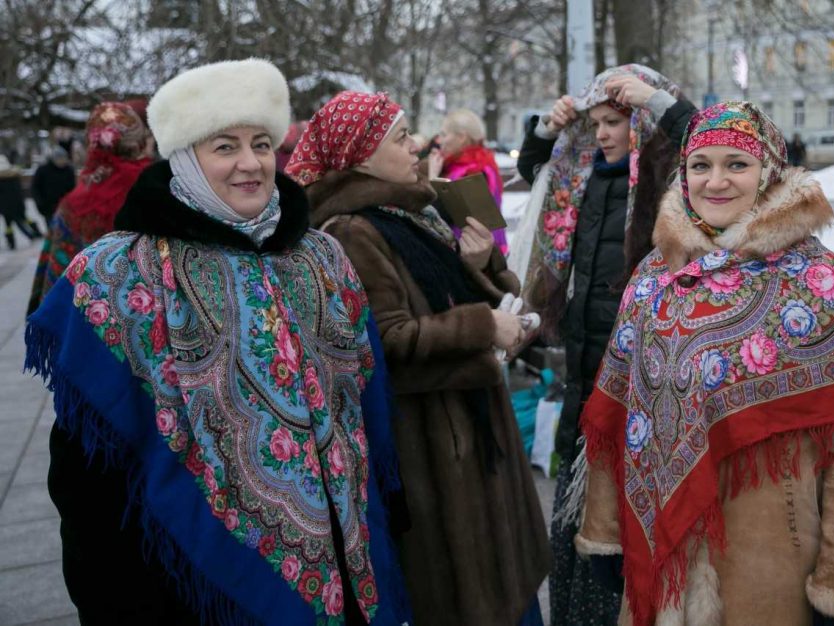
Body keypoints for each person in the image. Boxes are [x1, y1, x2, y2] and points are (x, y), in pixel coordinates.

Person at [25, 59, 410, 626]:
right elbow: (87, 474)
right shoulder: (118, 273)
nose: (251, 163)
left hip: (345, 566)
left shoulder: (321, 258)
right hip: (187, 587)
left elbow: (366, 407)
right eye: (224, 147)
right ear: (183, 156)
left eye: (260, 142)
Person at [576, 101, 834, 626]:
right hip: (660, 566)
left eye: (737, 164)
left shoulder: (820, 281)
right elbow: (619, 416)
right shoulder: (654, 277)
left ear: (770, 173)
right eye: (701, 165)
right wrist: (605, 534)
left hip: (768, 561)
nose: (716, 181)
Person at [286, 91, 552, 626]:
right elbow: (386, 342)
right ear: (360, 154)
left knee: (505, 595)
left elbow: (450, 298)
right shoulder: (352, 231)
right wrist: (484, 327)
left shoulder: (407, 212)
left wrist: (483, 265)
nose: (418, 146)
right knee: (470, 599)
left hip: (469, 442)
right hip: (436, 455)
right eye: (401, 137)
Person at [514, 64, 695, 626]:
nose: (603, 135)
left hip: (642, 371)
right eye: (595, 124)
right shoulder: (584, 174)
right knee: (576, 506)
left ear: (641, 123)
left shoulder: (669, 182)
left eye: (615, 121)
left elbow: (709, 141)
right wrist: (547, 129)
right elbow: (532, 167)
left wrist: (661, 100)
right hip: (585, 363)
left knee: (624, 507)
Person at [27, 102, 151, 316]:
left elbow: (57, 281)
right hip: (149, 327)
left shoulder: (71, 206)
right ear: (137, 141)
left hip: (89, 324)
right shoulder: (160, 190)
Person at [427, 108, 509, 255]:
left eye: (444, 134)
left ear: (462, 138)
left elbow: (441, 217)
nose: (439, 140)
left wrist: (433, 177)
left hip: (476, 259)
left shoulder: (474, 172)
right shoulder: (469, 165)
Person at [0, 154, 42, 249]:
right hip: (18, 204)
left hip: (5, 207)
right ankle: (36, 232)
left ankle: (12, 243)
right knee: (25, 219)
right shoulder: (14, 174)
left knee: (8, 225)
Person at [30, 147, 77, 230]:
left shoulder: (69, 170)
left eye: (64, 158)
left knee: (68, 230)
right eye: (60, 159)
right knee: (52, 230)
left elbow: (72, 188)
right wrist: (40, 203)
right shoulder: (43, 170)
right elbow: (35, 187)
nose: (63, 161)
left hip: (65, 206)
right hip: (48, 207)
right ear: (54, 159)